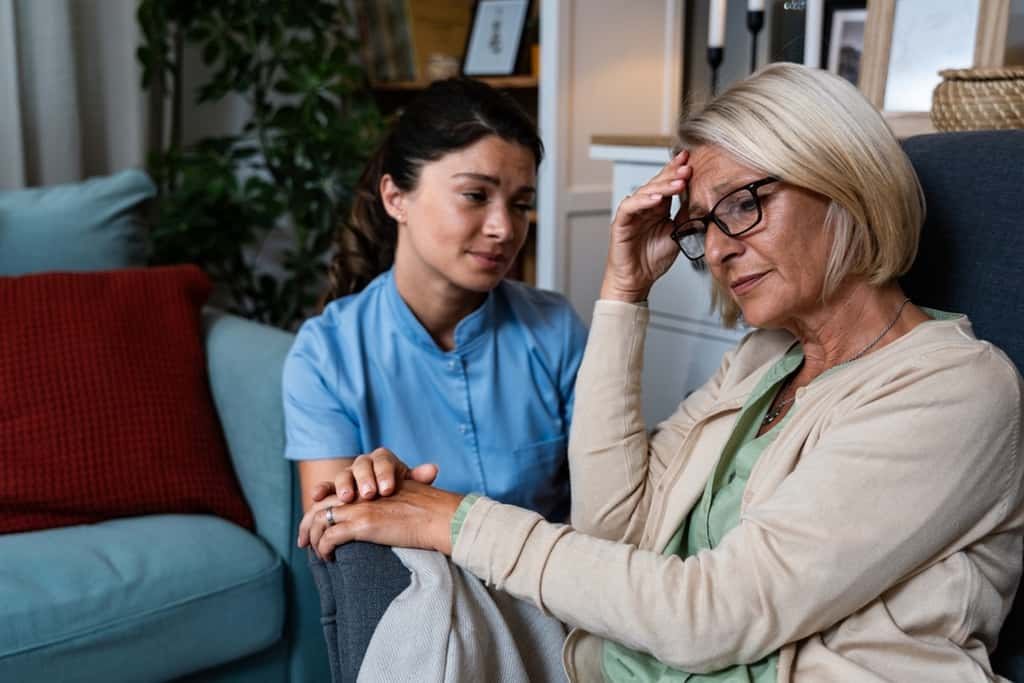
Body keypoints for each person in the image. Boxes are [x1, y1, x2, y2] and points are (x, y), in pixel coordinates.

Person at [301, 63, 1024, 682]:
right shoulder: (764, 361)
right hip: (641, 655)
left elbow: (716, 612)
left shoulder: (955, 389)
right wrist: (624, 292)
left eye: (743, 205)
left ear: (843, 181)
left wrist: (460, 520)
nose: (714, 251)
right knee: (386, 549)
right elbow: (613, 528)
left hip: (690, 647)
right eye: (701, 226)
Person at [282, 78, 586, 679]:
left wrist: (419, 508)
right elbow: (335, 543)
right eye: (476, 195)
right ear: (395, 196)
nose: (504, 227)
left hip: (556, 610)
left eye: (520, 204)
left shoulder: (555, 330)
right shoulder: (326, 355)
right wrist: (377, 488)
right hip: (425, 629)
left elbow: (614, 513)